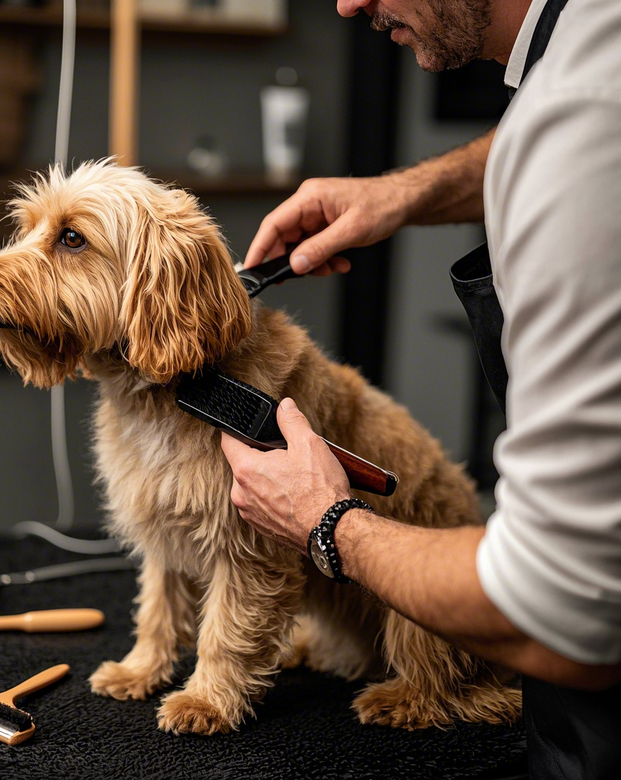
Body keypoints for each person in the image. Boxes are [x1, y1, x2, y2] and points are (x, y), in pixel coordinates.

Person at [220, 0, 621, 776]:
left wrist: (326, 522)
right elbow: (554, 131)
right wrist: (403, 193)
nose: (346, 4)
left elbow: (561, 612)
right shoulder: (587, 57)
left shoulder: (580, 118)